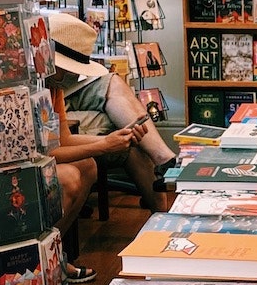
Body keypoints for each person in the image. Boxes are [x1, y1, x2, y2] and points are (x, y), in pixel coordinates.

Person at [46, 13, 176, 217]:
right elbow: (46, 152)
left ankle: (164, 220)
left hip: (61, 132)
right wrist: (104, 145)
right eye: (70, 70)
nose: (73, 76)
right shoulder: (33, 91)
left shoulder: (55, 88)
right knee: (84, 167)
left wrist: (111, 140)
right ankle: (164, 165)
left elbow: (63, 138)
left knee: (132, 138)